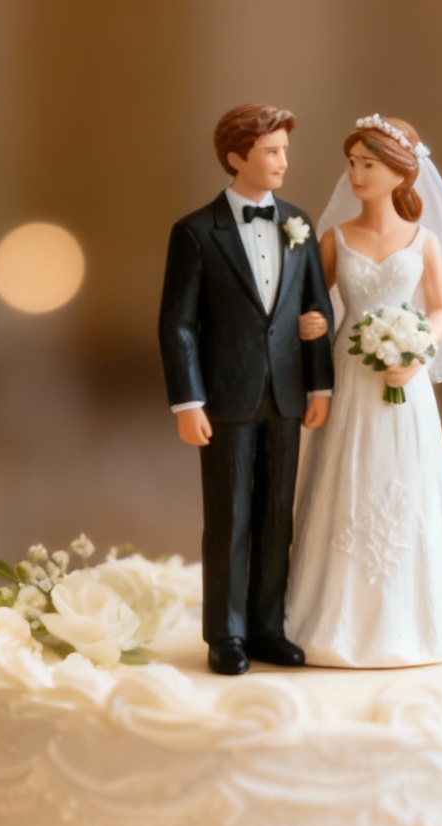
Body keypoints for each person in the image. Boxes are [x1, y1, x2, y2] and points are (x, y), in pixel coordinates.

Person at [284, 115, 442, 668]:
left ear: (401, 173)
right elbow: (309, 300)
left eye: (368, 165)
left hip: (405, 375)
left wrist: (419, 348)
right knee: (349, 470)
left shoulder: (423, 242)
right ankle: (335, 613)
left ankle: (419, 614)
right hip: (352, 374)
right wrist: (310, 323)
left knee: (406, 471)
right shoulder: (335, 239)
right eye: (352, 163)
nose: (356, 175)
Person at [158, 104, 336, 676]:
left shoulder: (298, 223)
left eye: (284, 150)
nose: (283, 162)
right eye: (271, 151)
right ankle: (227, 633)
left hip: (286, 395)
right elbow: (178, 324)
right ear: (237, 158)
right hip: (226, 398)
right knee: (229, 518)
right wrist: (188, 401)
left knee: (278, 516)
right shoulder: (195, 232)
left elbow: (316, 307)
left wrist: (320, 385)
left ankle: (267, 626)